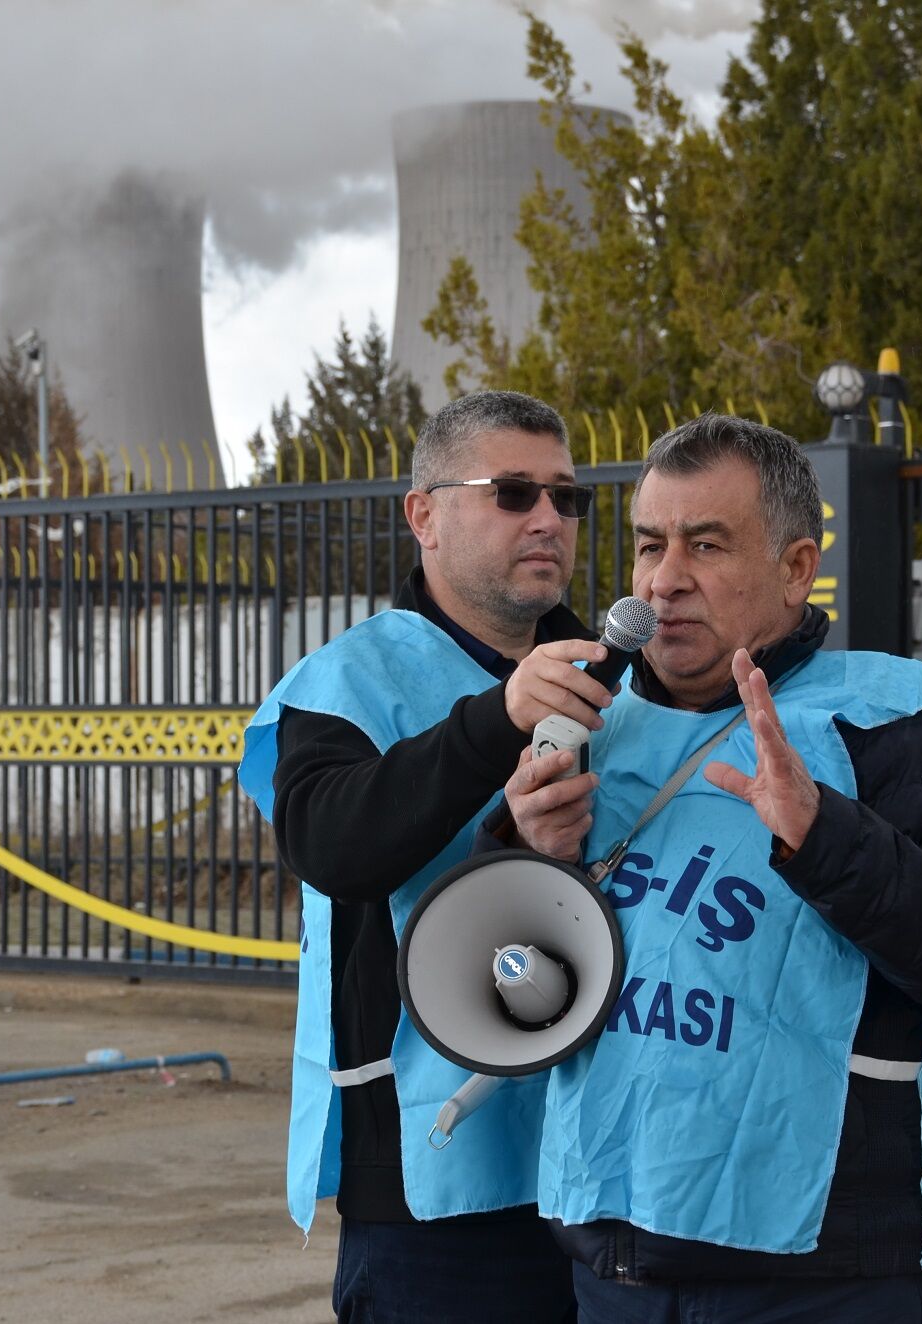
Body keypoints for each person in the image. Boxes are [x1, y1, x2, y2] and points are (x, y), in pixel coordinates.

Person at [500, 414, 922, 1322]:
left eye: (706, 545)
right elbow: (504, 983)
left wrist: (825, 833)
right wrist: (521, 855)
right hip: (610, 1266)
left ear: (797, 569)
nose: (665, 581)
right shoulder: (588, 725)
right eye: (648, 546)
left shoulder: (889, 721)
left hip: (822, 1277)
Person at [238, 390, 616, 1324]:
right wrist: (499, 721)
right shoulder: (347, 681)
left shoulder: (621, 679)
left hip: (615, 1159)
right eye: (513, 492)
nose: (548, 520)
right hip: (436, 1182)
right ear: (424, 516)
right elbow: (332, 844)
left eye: (567, 499)